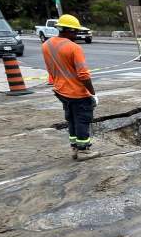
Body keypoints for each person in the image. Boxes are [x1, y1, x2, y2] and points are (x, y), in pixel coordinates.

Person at [42, 13, 99, 159]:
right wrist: (92, 92)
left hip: (61, 91)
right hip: (77, 93)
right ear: (69, 30)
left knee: (72, 119)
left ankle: (74, 148)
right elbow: (83, 75)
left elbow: (50, 69)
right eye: (76, 31)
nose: (77, 34)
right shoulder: (74, 48)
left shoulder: (46, 45)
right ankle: (83, 150)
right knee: (82, 120)